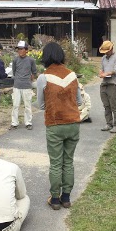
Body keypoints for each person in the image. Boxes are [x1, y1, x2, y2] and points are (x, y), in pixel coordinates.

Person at [36, 42, 81, 210]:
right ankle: (66, 198)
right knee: (68, 162)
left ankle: (55, 199)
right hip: (73, 123)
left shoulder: (44, 77)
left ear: (46, 56)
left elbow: (41, 105)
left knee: (56, 163)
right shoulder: (72, 75)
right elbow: (79, 101)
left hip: (55, 124)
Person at [10, 40, 37, 130]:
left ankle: (28, 122)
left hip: (26, 86)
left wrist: (30, 80)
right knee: (15, 105)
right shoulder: (15, 60)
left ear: (26, 50)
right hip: (17, 85)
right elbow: (14, 71)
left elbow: (34, 72)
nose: (20, 51)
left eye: (22, 49)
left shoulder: (31, 60)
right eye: (18, 49)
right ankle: (14, 123)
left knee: (27, 105)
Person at [98, 40, 116, 133]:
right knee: (106, 105)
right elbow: (102, 69)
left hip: (113, 84)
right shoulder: (103, 58)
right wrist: (101, 73)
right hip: (104, 83)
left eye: (107, 51)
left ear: (111, 49)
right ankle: (109, 123)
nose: (106, 53)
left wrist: (108, 73)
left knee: (114, 105)